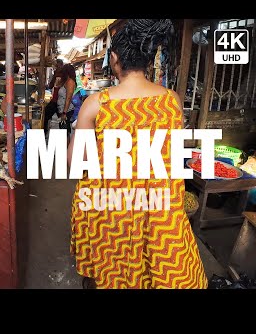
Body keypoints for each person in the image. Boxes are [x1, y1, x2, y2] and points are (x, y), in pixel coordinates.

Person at [68, 19, 207, 289]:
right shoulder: (172, 100)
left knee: (113, 266)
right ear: (148, 58)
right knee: (153, 265)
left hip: (110, 207)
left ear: (115, 58)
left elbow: (75, 162)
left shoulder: (97, 103)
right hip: (157, 208)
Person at [43, 59, 64, 135]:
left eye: (56, 65)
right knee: (61, 119)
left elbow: (51, 85)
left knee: (46, 115)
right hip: (57, 100)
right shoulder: (60, 74)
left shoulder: (59, 74)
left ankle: (44, 133)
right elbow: (52, 86)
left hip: (57, 100)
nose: (55, 67)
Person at [57, 63, 77, 137]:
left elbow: (68, 98)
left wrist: (64, 113)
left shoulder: (70, 82)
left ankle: (67, 147)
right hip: (63, 109)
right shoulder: (66, 81)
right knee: (64, 130)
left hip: (67, 110)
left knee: (65, 131)